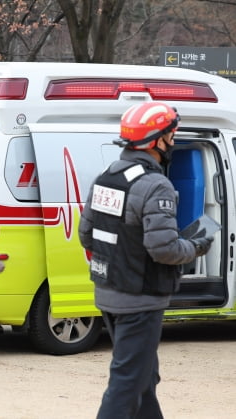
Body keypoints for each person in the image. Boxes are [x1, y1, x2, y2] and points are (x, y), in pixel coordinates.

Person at [78, 101, 214, 418]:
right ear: (156, 140)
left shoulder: (107, 177)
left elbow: (87, 235)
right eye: (171, 135)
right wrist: (196, 246)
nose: (173, 141)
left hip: (110, 292)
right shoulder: (155, 184)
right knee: (126, 385)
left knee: (143, 379)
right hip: (140, 299)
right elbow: (163, 249)